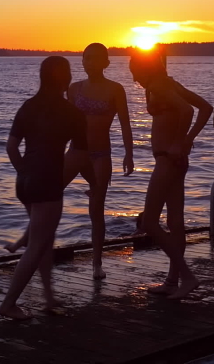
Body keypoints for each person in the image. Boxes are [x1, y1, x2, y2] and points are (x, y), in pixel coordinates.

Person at [0, 56, 88, 320]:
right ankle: (8, 304)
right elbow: (81, 154)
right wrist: (94, 182)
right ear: (66, 78)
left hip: (24, 182)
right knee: (37, 245)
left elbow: (11, 147)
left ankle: (48, 296)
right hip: (47, 182)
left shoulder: (28, 106)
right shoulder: (72, 112)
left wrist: (24, 173)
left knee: (44, 240)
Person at [129, 50, 212, 299]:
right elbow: (206, 108)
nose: (135, 80)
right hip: (175, 160)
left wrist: (181, 141)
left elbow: (188, 111)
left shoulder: (159, 85)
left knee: (150, 222)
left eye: (135, 73)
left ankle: (187, 277)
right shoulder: (168, 83)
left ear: (145, 69)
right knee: (175, 224)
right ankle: (173, 280)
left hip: (167, 159)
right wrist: (186, 141)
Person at [61, 43, 135, 280]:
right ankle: (35, 246)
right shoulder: (74, 89)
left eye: (93, 58)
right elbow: (66, 124)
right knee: (48, 193)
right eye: (85, 58)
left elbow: (125, 123)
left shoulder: (115, 89)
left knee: (97, 209)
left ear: (105, 62)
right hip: (76, 152)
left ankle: (96, 263)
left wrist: (129, 153)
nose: (88, 62)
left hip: (100, 155)